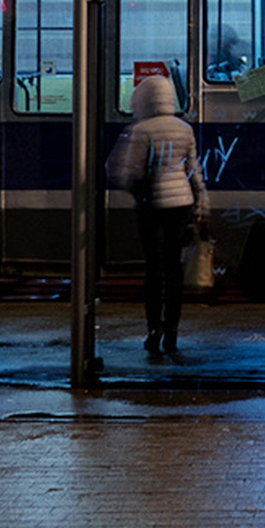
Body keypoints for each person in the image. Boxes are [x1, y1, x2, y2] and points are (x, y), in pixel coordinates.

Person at [106, 73, 207, 356]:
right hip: (181, 205)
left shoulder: (141, 130)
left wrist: (138, 189)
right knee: (174, 269)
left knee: (154, 269)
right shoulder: (184, 128)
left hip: (152, 206)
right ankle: (172, 330)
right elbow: (195, 173)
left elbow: (123, 171)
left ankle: (154, 329)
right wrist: (202, 210)